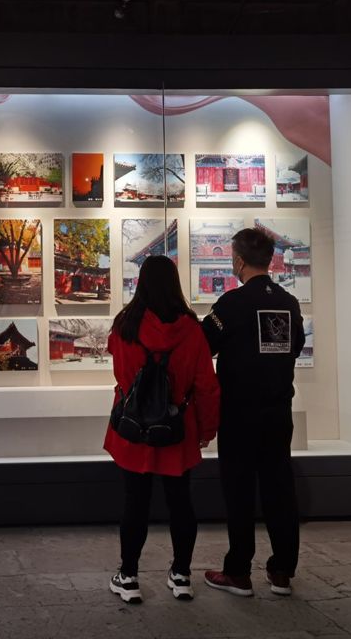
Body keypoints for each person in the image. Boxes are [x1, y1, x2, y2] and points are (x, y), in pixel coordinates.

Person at [105, 255, 220, 605]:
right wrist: (207, 428)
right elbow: (206, 385)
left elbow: (120, 373)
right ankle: (181, 575)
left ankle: (128, 577)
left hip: (134, 428)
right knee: (181, 502)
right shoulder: (191, 330)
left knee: (134, 503)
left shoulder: (125, 326)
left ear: (141, 283)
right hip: (176, 428)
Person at [201, 228, 306, 598]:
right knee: (280, 489)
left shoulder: (231, 304)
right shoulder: (289, 303)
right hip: (278, 411)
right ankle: (282, 572)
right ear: (271, 259)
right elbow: (296, 347)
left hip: (239, 413)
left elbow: (203, 344)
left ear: (238, 260)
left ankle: (238, 572)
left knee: (239, 491)